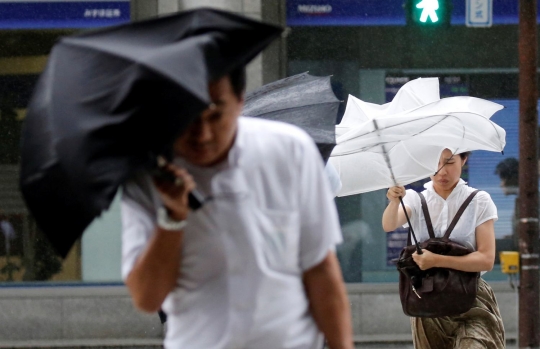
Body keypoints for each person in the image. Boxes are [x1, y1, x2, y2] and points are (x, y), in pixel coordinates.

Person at [120, 66, 353, 349]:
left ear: (240, 100)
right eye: (188, 116)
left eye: (216, 114)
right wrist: (172, 218)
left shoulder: (289, 149)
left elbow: (321, 272)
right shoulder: (148, 176)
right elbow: (147, 297)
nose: (203, 134)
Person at [382, 149, 505, 349]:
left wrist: (437, 260)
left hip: (471, 297)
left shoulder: (479, 200)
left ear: (464, 160)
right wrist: (394, 201)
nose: (441, 171)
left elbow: (486, 260)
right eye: (434, 163)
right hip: (427, 299)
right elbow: (389, 224)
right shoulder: (415, 199)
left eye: (449, 162)